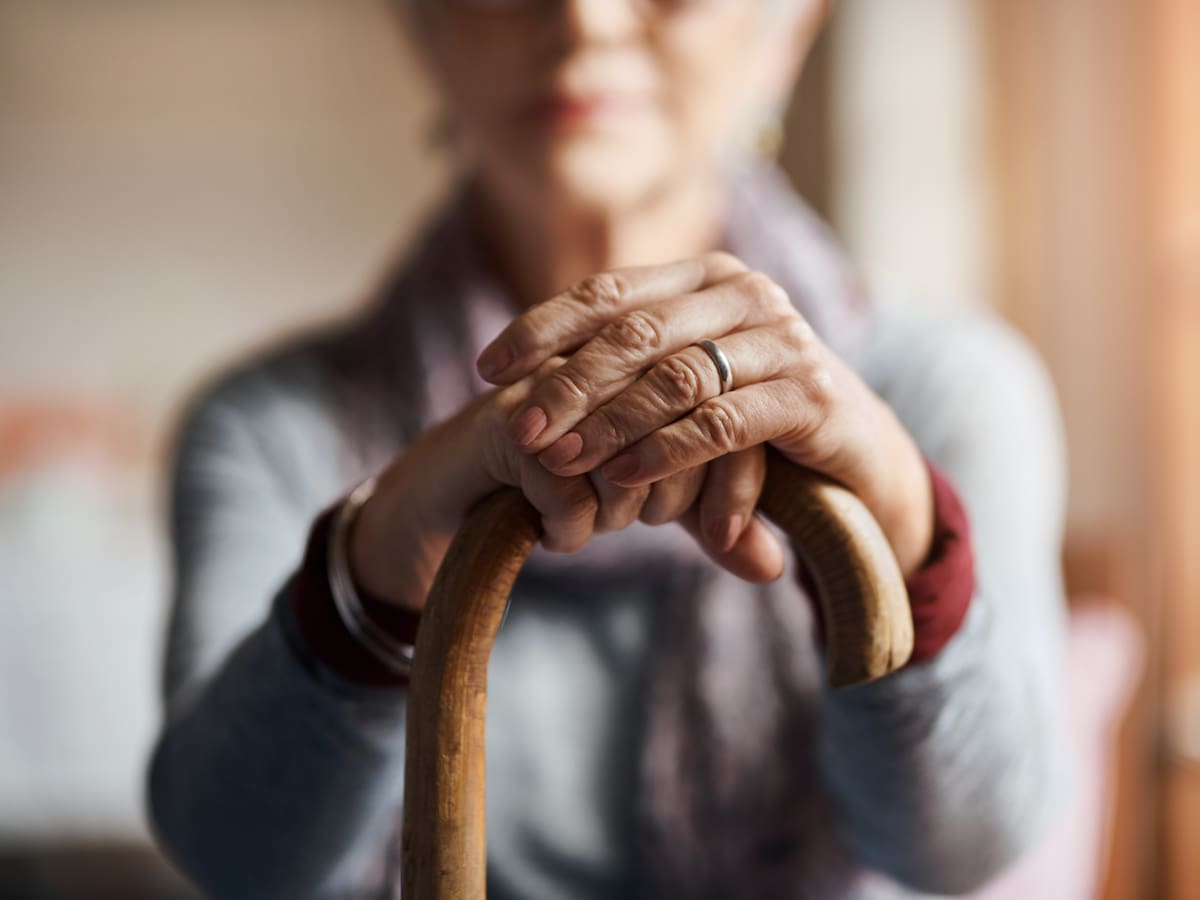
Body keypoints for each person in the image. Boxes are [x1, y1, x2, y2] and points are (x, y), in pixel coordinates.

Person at [146, 1, 1072, 897]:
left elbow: (965, 852)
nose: (583, 18)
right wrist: (371, 569)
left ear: (784, 32)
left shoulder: (947, 391)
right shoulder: (268, 425)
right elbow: (236, 860)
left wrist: (899, 532)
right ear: (422, 25)